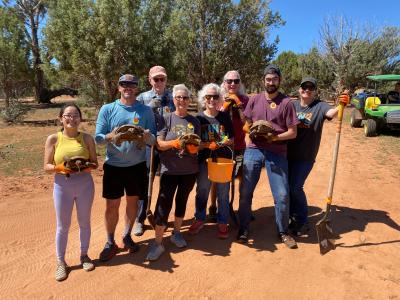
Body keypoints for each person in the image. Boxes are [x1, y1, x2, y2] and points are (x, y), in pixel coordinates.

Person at [237, 64, 300, 249]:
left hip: (277, 150)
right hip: (254, 148)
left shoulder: (286, 103)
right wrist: (250, 132)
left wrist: (275, 137)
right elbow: (247, 122)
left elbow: (293, 132)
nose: (271, 82)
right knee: (246, 191)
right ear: (263, 80)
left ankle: (283, 231)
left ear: (279, 80)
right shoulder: (255, 99)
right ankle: (243, 227)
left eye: (274, 79)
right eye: (268, 79)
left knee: (282, 195)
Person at [95, 74, 156, 262]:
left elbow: (153, 140)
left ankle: (127, 235)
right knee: (112, 205)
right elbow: (97, 138)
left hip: (137, 166)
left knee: (132, 202)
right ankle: (110, 241)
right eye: (124, 84)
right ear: (119, 87)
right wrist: (109, 136)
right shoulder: (108, 109)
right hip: (113, 166)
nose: (128, 87)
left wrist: (146, 137)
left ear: (137, 88)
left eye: (132, 84)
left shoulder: (145, 111)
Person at [287, 77, 349, 236]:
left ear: (315, 91)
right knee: (287, 188)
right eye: (304, 87)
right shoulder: (292, 105)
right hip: (286, 155)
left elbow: (331, 113)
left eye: (311, 88)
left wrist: (341, 105)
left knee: (296, 187)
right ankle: (292, 216)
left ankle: (302, 221)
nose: (307, 90)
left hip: (305, 157)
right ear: (299, 89)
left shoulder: (320, 106)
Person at [146, 84, 201, 261]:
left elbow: (197, 146)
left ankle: (177, 233)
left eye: (185, 97)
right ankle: (157, 243)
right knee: (163, 205)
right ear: (174, 99)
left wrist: (193, 149)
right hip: (170, 170)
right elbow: (159, 144)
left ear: (189, 100)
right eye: (179, 97)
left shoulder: (195, 121)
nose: (182, 101)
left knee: (182, 201)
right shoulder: (166, 119)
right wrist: (175, 143)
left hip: (189, 170)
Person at [44, 103, 98, 281]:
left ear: (80, 119)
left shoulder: (87, 139)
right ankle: (61, 262)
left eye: (75, 115)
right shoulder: (54, 139)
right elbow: (46, 167)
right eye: (67, 115)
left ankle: (84, 256)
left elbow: (94, 164)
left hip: (85, 185)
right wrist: (61, 167)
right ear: (61, 118)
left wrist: (83, 166)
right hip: (62, 186)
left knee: (84, 222)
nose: (71, 118)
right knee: (62, 226)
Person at [188, 83, 234, 238]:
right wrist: (207, 145)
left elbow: (232, 138)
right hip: (204, 161)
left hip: (223, 161)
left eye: (215, 97)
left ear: (219, 98)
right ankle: (200, 218)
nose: (212, 100)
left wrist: (226, 142)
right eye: (209, 97)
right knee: (202, 190)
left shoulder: (225, 117)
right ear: (203, 98)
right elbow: (194, 144)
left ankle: (223, 221)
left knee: (222, 192)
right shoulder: (198, 118)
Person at [135, 66, 175, 236]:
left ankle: (160, 218)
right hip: (148, 145)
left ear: (166, 80)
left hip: (166, 144)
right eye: (156, 79)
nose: (159, 82)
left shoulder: (173, 97)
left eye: (162, 79)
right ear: (150, 80)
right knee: (145, 181)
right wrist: (147, 109)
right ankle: (139, 218)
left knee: (166, 182)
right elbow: (135, 121)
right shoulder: (141, 98)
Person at [207, 70, 249, 221]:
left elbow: (247, 123)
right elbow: (213, 117)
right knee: (216, 179)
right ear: (224, 83)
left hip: (239, 146)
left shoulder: (245, 100)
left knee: (241, 178)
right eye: (229, 81)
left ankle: (243, 208)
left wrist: (237, 103)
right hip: (220, 146)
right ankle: (213, 206)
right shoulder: (216, 99)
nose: (232, 84)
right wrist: (225, 104)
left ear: (240, 83)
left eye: (236, 81)